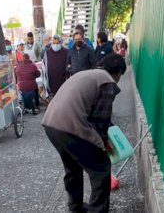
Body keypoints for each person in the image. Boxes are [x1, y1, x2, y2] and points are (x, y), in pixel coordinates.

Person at [42, 53, 127, 213]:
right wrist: (103, 144)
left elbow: (92, 110)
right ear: (117, 72)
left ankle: (76, 208)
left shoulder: (87, 74)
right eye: (120, 75)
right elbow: (100, 119)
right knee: (101, 168)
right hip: (70, 127)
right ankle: (97, 210)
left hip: (51, 124)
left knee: (73, 167)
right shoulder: (107, 82)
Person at [42, 35, 68, 100]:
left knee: (62, 98)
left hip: (62, 79)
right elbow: (44, 66)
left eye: (57, 43)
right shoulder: (47, 52)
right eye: (54, 43)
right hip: (51, 80)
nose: (55, 45)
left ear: (60, 43)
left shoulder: (66, 51)